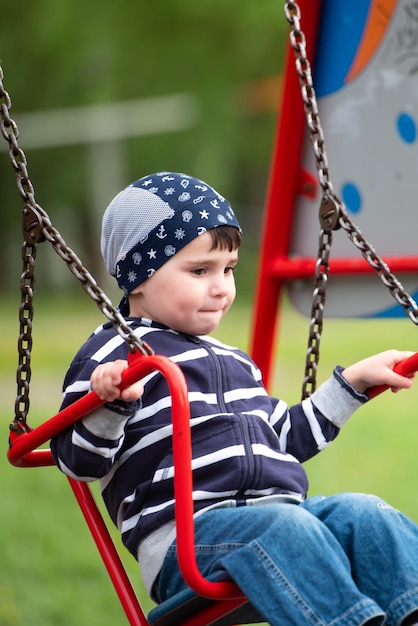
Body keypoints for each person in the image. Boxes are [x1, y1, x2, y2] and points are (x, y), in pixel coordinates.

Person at [51, 172, 418, 626]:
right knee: (290, 529)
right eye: (200, 270)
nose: (222, 286)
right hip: (189, 543)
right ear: (139, 276)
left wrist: (354, 383)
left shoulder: (235, 360)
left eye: (229, 269)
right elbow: (77, 461)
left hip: (281, 519)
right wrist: (110, 402)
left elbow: (284, 437)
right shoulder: (112, 355)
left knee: (368, 513)